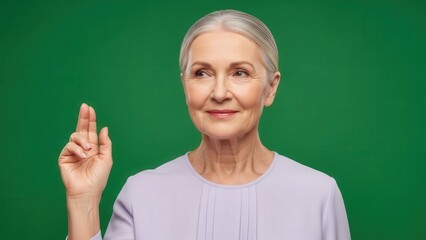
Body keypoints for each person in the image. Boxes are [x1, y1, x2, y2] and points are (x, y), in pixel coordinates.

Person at [59, 9, 351, 240]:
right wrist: (82, 201)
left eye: (240, 72)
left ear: (271, 88)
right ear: (185, 85)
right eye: (201, 74)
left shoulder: (318, 195)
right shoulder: (141, 194)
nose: (220, 92)